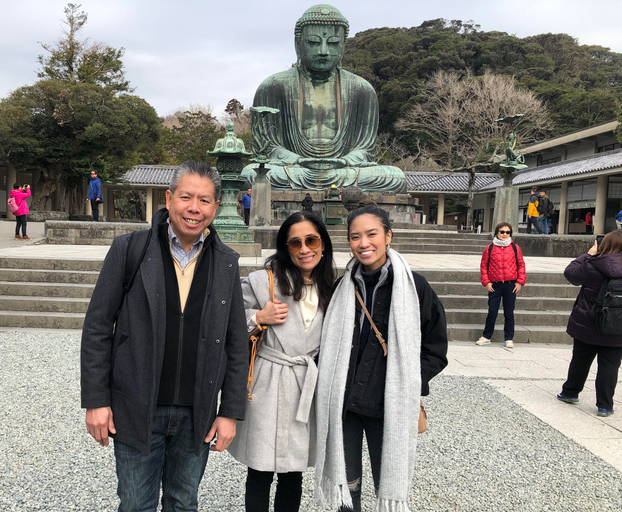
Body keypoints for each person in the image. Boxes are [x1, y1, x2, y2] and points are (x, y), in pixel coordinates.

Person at [81, 161, 248, 511]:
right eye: (186, 197)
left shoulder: (226, 262)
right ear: (169, 198)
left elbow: (236, 343)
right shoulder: (131, 249)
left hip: (196, 413)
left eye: (204, 200)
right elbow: (98, 326)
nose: (194, 208)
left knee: (184, 503)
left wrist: (230, 410)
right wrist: (96, 400)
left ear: (216, 207)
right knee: (135, 504)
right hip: (136, 405)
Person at [314, 204, 448, 511]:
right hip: (343, 405)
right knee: (347, 488)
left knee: (385, 481)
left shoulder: (415, 288)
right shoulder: (342, 287)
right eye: (355, 237)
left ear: (388, 236)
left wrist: (409, 381)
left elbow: (436, 349)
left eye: (372, 234)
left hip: (388, 404)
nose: (364, 244)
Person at [228, 211, 336, 512]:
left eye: (311, 240)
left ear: (323, 244)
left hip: (305, 384)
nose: (304, 249)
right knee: (260, 470)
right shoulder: (264, 281)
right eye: (295, 243)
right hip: (268, 381)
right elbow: (226, 318)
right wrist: (258, 317)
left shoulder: (334, 287)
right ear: (285, 247)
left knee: (293, 470)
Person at [240, 5, 406, 193]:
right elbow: (267, 148)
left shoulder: (362, 89)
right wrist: (298, 160)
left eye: (334, 43)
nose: (323, 51)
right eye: (313, 42)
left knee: (394, 177)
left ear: (343, 46)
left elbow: (365, 150)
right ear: (297, 44)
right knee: (251, 175)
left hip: (344, 170)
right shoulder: (273, 86)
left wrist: (344, 161)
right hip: (295, 169)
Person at [557, 230, 622, 417]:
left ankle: (570, 392)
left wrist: (588, 254)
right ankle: (605, 405)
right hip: (617, 326)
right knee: (610, 366)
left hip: (588, 322)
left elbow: (570, 274)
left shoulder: (593, 264)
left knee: (581, 359)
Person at [475, 222, 527, 349]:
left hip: (510, 285)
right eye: (502, 232)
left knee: (509, 313)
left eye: (507, 232)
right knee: (492, 311)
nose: (504, 234)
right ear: (497, 233)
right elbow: (484, 266)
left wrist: (520, 281)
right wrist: (486, 282)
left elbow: (521, 265)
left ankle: (509, 338)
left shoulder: (515, 248)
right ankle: (486, 336)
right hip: (495, 285)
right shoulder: (490, 248)